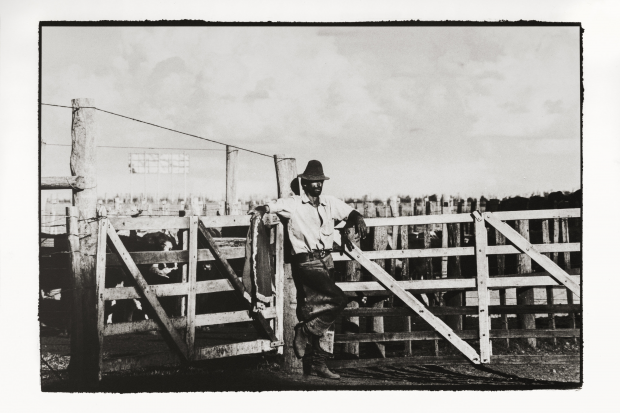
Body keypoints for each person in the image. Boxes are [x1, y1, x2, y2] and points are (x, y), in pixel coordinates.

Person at [252, 160, 367, 379]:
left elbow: (349, 212)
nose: (317, 185)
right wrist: (262, 209)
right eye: (313, 182)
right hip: (307, 262)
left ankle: (320, 364)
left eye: (320, 181)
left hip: (327, 260)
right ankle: (303, 332)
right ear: (304, 183)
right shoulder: (294, 203)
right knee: (338, 300)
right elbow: (274, 206)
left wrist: (357, 218)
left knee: (320, 310)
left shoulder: (329, 202)